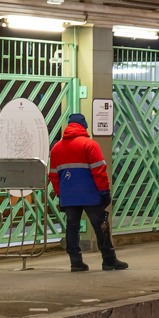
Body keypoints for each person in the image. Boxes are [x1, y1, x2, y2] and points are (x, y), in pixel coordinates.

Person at [48, 112, 128, 271]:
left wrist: (59, 194)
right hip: (91, 195)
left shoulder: (56, 148)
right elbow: (99, 171)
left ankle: (76, 262)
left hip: (69, 197)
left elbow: (53, 175)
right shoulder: (89, 144)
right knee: (102, 226)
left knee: (72, 228)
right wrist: (104, 192)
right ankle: (109, 259)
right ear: (84, 127)